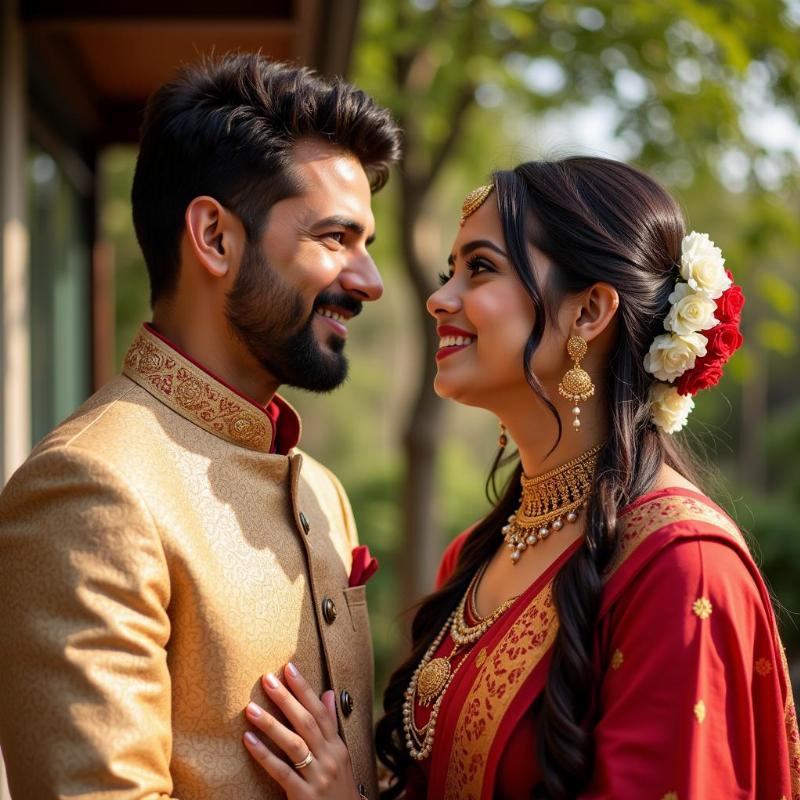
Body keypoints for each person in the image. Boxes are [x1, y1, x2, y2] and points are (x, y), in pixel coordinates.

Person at [244, 157, 799, 798]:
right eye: (449, 271)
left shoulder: (680, 567)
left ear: (590, 312)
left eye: (480, 268)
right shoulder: (477, 554)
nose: (439, 298)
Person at [0, 53, 399, 800]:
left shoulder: (321, 490)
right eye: (336, 239)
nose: (368, 280)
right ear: (215, 236)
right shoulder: (90, 486)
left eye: (367, 243)